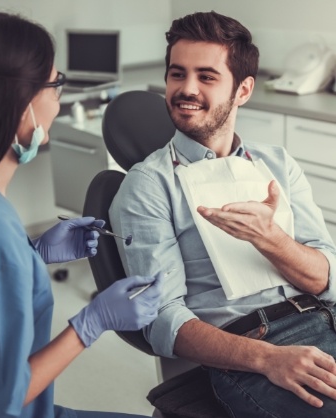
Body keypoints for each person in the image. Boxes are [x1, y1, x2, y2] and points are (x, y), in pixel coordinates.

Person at [109, 10, 336, 418]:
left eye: (206, 77)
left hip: (326, 317)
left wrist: (272, 240)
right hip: (257, 344)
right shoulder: (148, 184)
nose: (186, 89)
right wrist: (268, 359)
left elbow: (327, 277)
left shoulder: (277, 164)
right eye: (177, 74)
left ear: (243, 90)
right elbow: (162, 320)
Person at [0, 10, 164, 418]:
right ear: (16, 104)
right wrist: (92, 322)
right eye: (56, 85)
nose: (59, 101)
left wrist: (31, 253)